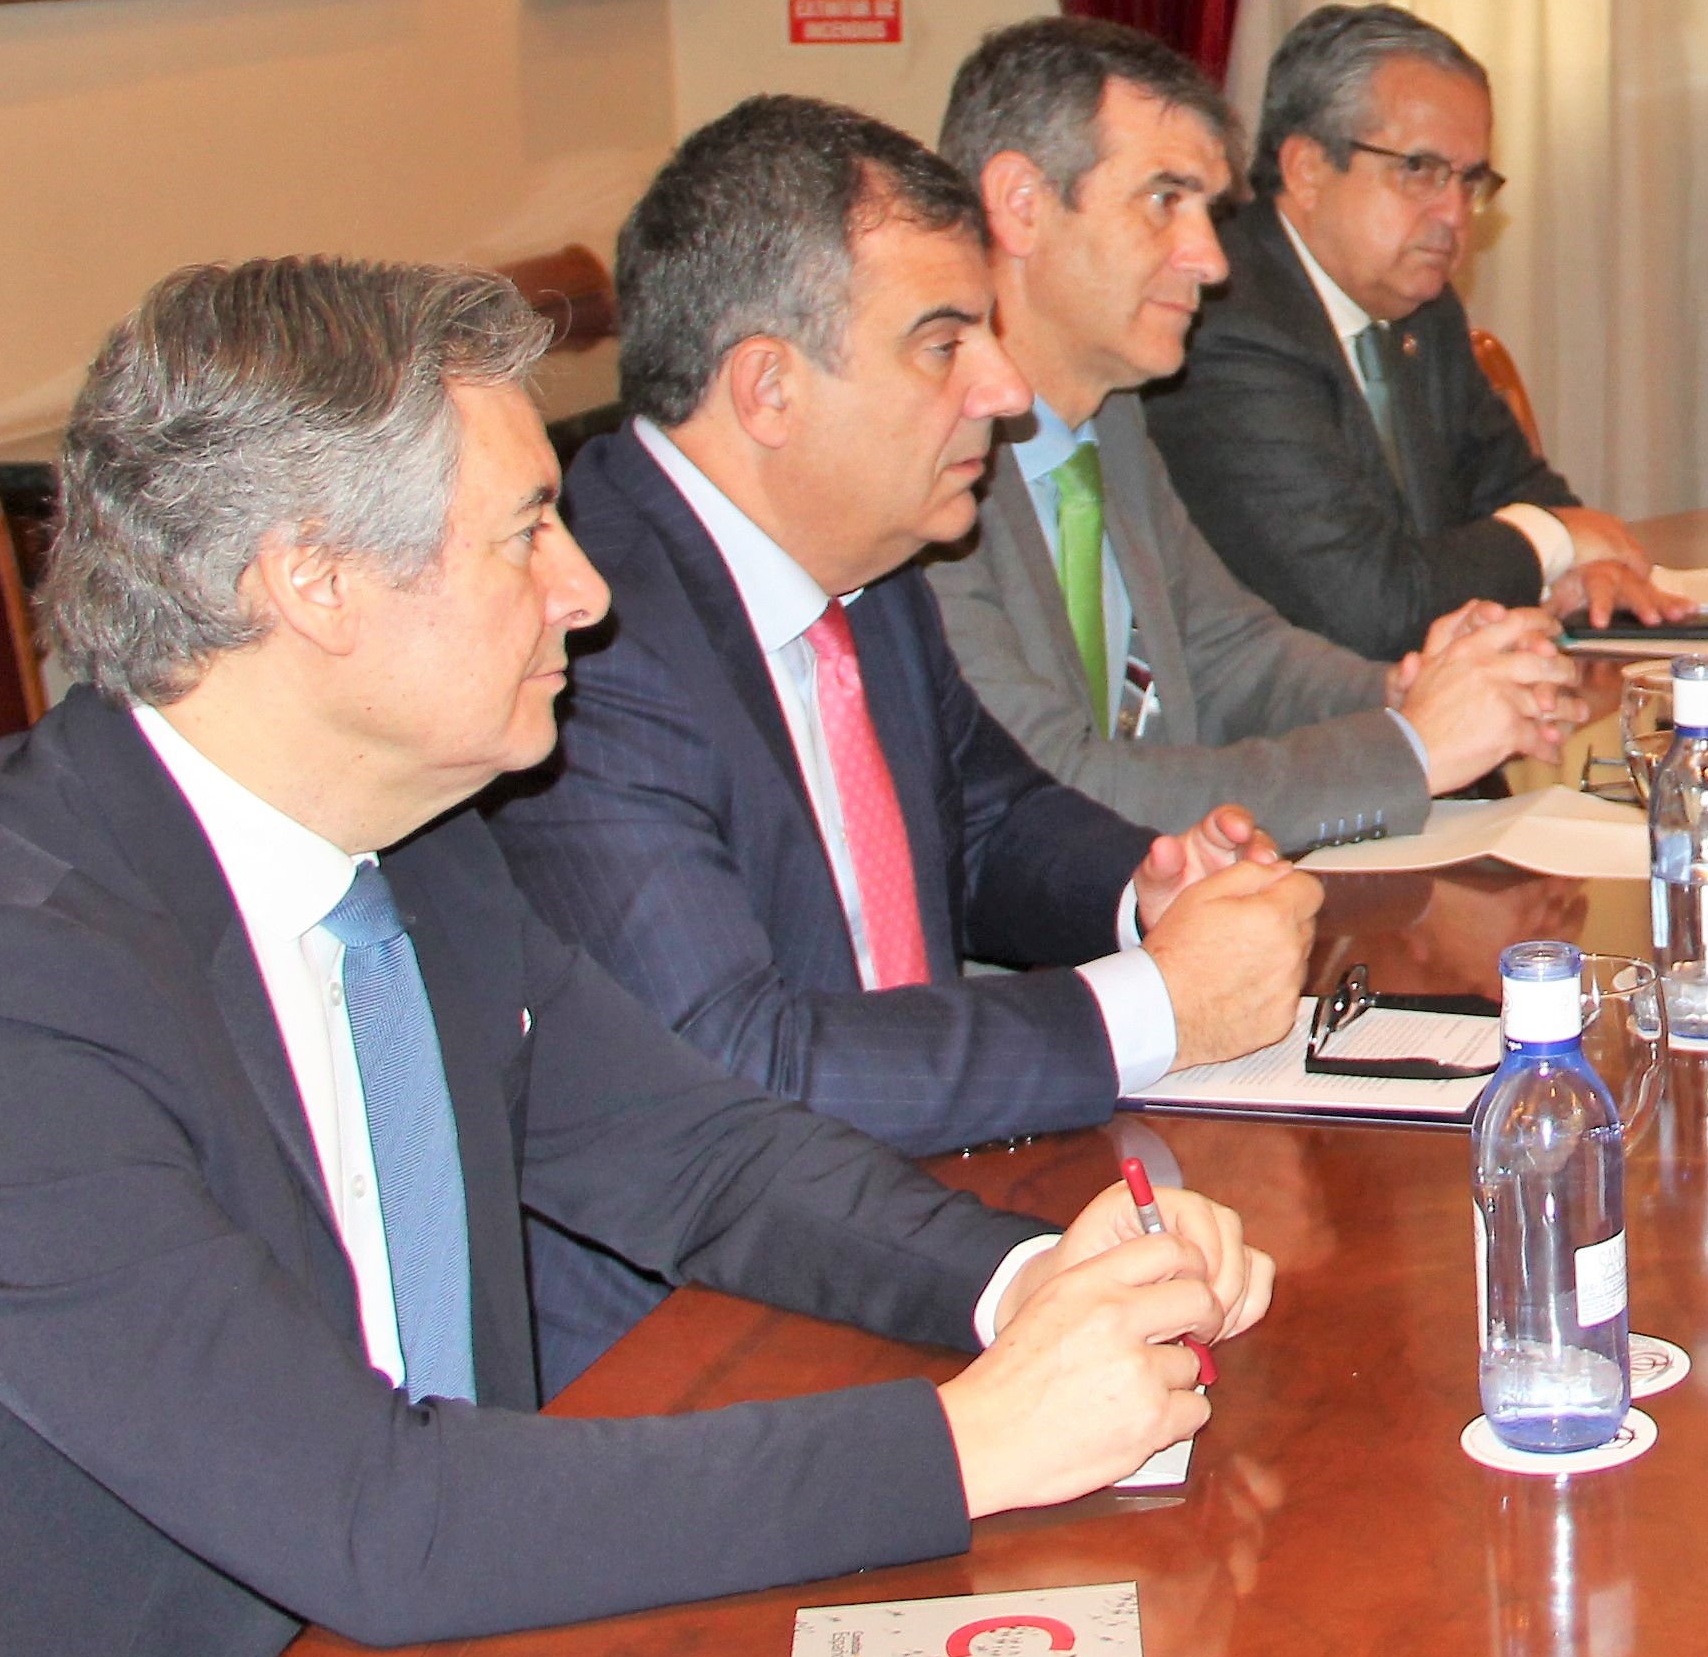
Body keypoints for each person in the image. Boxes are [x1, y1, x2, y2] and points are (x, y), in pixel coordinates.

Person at [0, 262, 1263, 1657]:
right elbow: (373, 1508)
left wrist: (1035, 1285)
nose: (585, 591)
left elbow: (703, 1156)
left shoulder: (405, 846)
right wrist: (970, 1443)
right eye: (523, 536)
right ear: (312, 581)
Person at [489, 97, 1323, 1384]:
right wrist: (1156, 1005)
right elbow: (740, 1067)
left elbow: (980, 816)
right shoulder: (590, 645)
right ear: (768, 385)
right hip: (689, 1343)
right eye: (945, 343)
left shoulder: (858, 567)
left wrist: (1142, 886)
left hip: (919, 1223)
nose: (1002, 388)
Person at [928, 16, 1587, 844]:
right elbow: (1054, 788)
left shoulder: (1109, 415)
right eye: (1164, 201)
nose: (1210, 258)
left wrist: (1404, 689)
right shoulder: (919, 458)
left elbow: (1227, 652)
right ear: (1022, 205)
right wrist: (1412, 749)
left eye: (1206, 211)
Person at [1152, 4, 1683, 662]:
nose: (1454, 214)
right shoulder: (1228, 325)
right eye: (1420, 171)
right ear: (1307, 169)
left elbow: (1516, 486)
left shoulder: (1422, 310)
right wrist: (1554, 542)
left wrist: (1585, 565)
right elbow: (1370, 609)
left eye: (1469, 181)